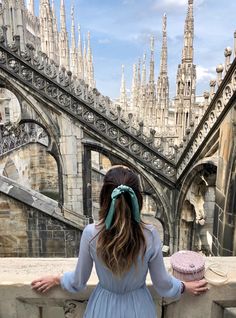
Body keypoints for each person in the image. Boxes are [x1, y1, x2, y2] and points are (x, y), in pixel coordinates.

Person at [31, 165, 208, 317]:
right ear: (138, 199)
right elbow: (162, 284)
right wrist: (184, 287)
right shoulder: (150, 234)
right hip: (139, 307)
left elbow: (78, 282)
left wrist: (57, 279)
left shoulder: (91, 233)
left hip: (103, 306)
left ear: (104, 198)